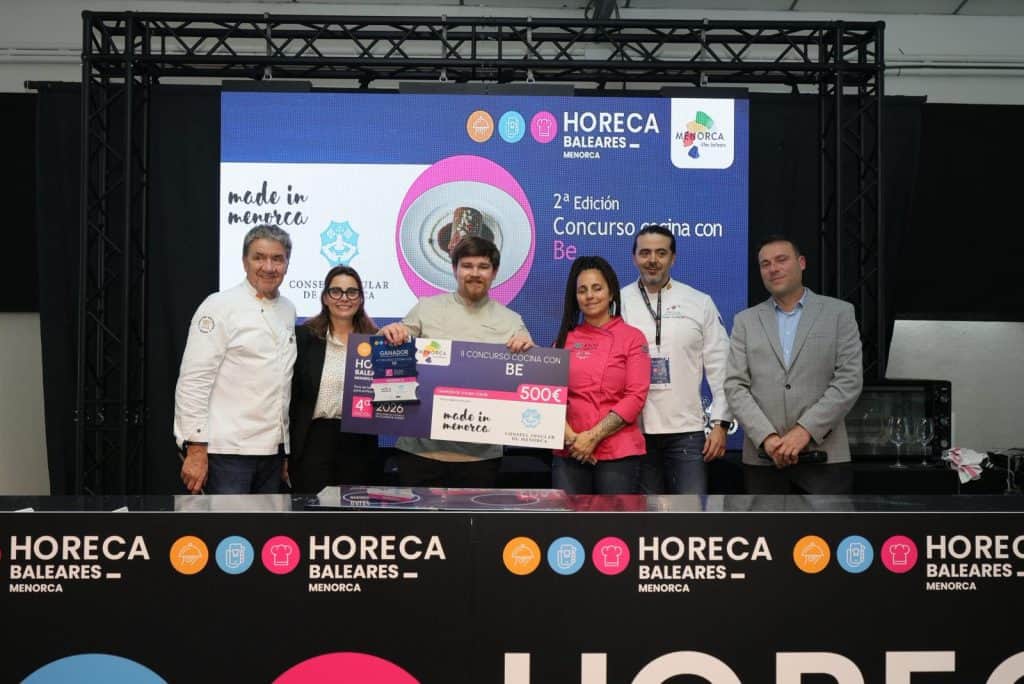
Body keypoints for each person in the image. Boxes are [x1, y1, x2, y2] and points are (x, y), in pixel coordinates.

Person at [378, 236, 533, 487]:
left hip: (480, 457)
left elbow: (531, 377)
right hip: (420, 453)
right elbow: (388, 348)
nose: (475, 273)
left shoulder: (512, 321)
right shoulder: (426, 308)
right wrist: (388, 334)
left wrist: (530, 353)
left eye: (483, 266)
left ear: (494, 272)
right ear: (454, 269)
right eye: (467, 265)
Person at [724, 235, 863, 494]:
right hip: (764, 458)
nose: (773, 269)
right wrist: (767, 437)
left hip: (825, 457)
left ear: (801, 263)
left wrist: (804, 431)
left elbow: (849, 381)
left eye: (781, 260)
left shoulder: (839, 313)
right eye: (765, 264)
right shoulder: (745, 321)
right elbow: (735, 386)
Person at [174, 224, 296, 494]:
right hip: (227, 453)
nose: (268, 267)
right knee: (229, 523)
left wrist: (284, 450)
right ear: (244, 261)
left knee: (267, 523)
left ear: (287, 264)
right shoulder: (219, 306)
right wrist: (195, 447)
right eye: (259, 257)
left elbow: (281, 385)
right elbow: (194, 380)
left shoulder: (288, 309)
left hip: (272, 453)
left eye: (277, 259)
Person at [621, 224, 733, 495]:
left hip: (687, 432)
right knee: (643, 516)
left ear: (673, 258)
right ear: (634, 258)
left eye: (661, 253)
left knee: (689, 513)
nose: (652, 260)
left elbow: (722, 368)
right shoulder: (617, 302)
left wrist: (720, 424)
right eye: (645, 253)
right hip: (633, 431)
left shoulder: (699, 302)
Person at [553, 256, 651, 494]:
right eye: (582, 290)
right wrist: (574, 440)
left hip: (618, 453)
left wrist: (593, 437)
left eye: (597, 288)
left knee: (613, 519)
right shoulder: (564, 340)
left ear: (611, 293)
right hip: (569, 451)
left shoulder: (632, 338)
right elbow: (550, 398)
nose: (590, 296)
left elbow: (635, 396)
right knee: (568, 518)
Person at [289, 265, 381, 493]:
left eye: (352, 292)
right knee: (312, 510)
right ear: (325, 298)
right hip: (313, 441)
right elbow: (291, 397)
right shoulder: (304, 338)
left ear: (361, 298)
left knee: (355, 511)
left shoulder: (375, 341)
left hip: (360, 443)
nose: (344, 298)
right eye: (336, 291)